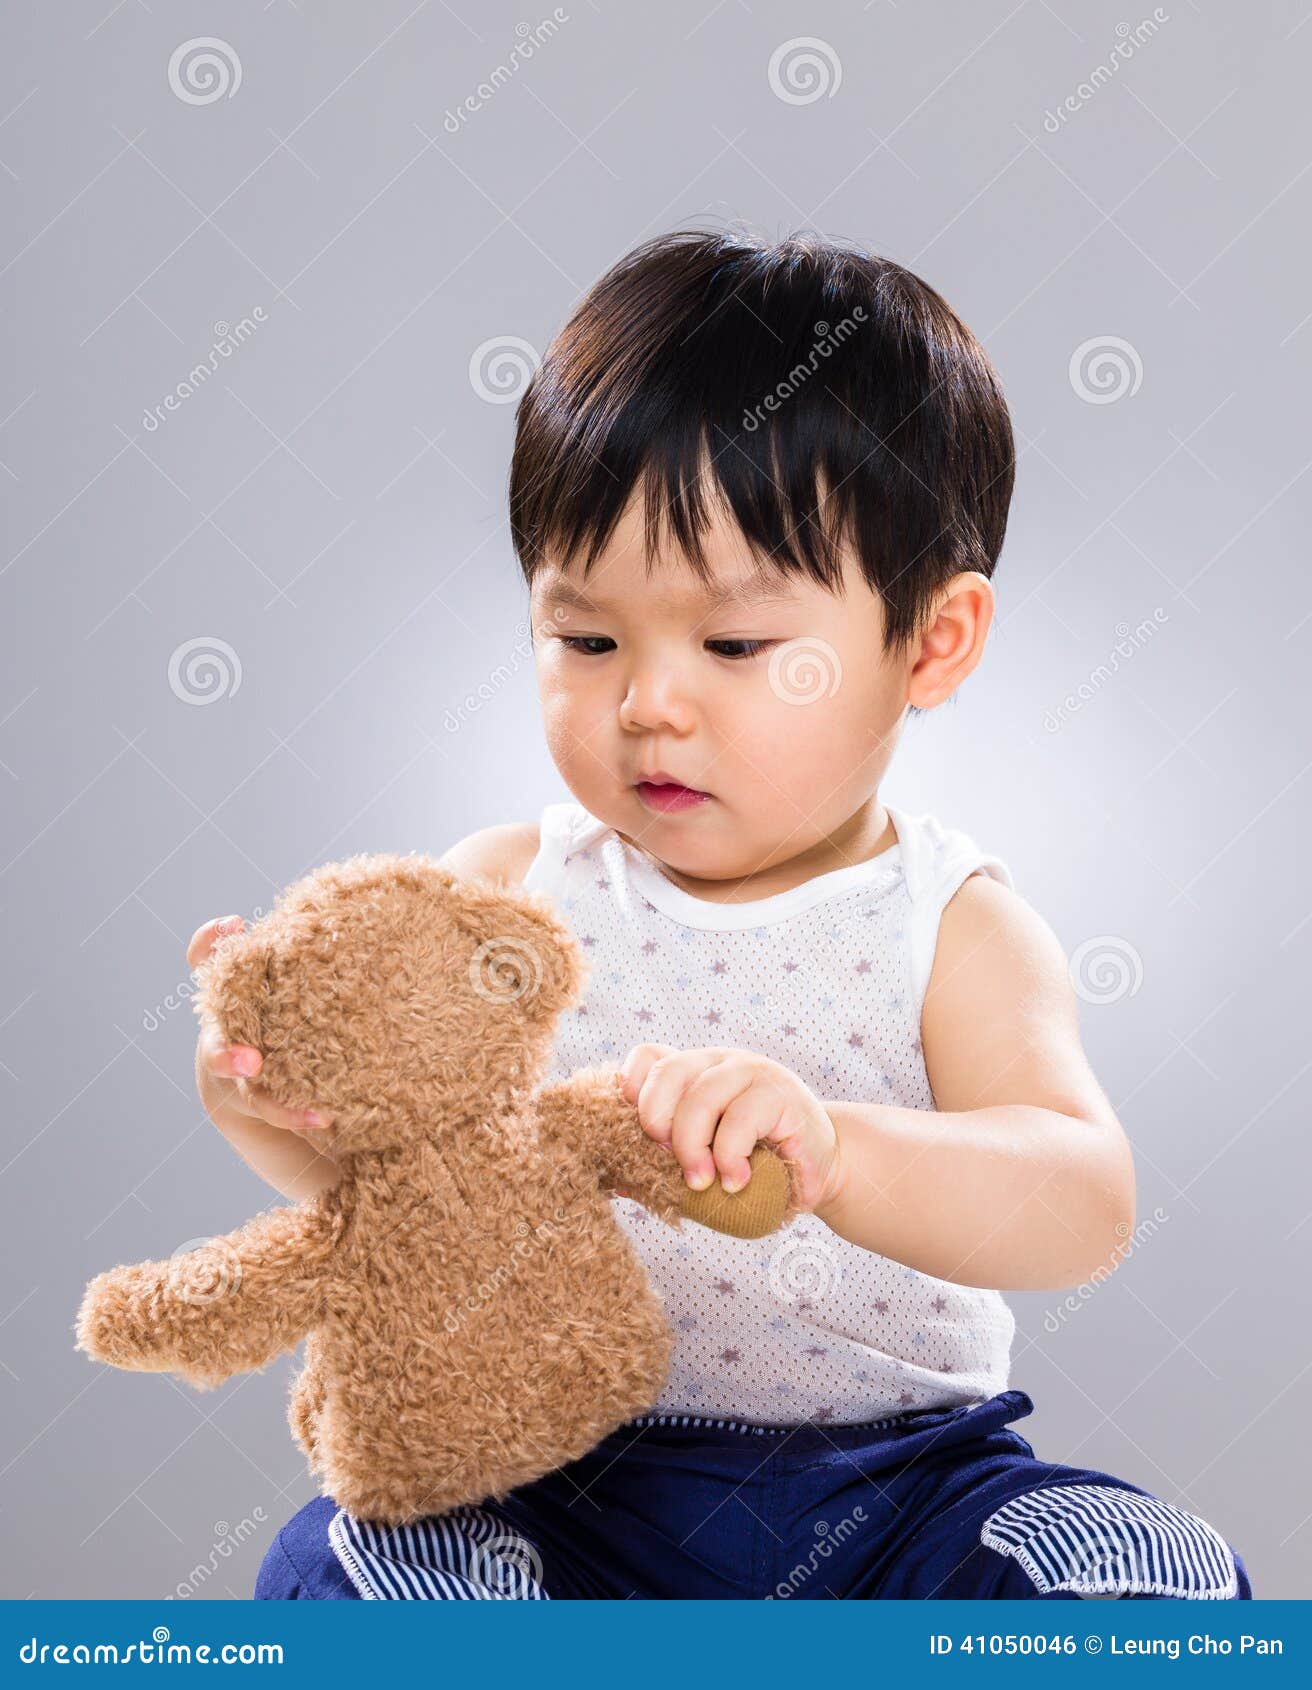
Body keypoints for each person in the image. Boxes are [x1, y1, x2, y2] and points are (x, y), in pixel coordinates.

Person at [191, 229, 1252, 1600]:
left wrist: (840, 1150)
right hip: (558, 1487)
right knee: (350, 1559)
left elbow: (1080, 1203)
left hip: (899, 1491)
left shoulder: (951, 923)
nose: (648, 702)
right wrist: (293, 1125)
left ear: (930, 643)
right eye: (587, 640)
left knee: (1143, 1574)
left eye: (736, 645)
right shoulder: (508, 895)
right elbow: (424, 1199)